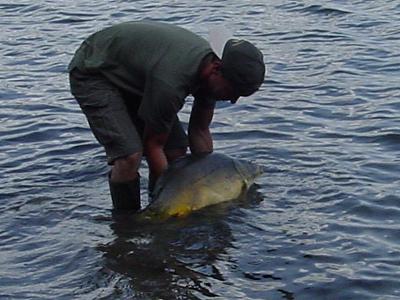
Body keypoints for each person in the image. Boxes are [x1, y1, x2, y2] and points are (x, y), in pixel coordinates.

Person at [68, 20, 265, 212]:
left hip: (138, 76)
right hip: (95, 71)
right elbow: (153, 145)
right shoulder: (171, 83)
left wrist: (206, 181)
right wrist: (174, 194)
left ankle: (158, 213)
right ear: (216, 70)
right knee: (130, 156)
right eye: (234, 91)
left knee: (177, 151)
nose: (233, 100)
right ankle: (127, 223)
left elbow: (200, 130)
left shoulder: (213, 77)